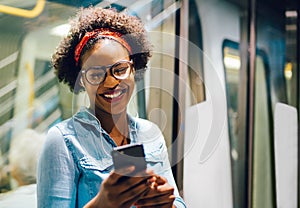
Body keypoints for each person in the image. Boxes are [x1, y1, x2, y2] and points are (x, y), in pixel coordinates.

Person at [37, 6, 186, 208]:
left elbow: (177, 203)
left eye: (120, 69)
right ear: (81, 80)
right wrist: (101, 203)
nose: (110, 83)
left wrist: (167, 204)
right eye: (96, 74)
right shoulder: (63, 140)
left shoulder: (150, 133)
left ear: (134, 69)